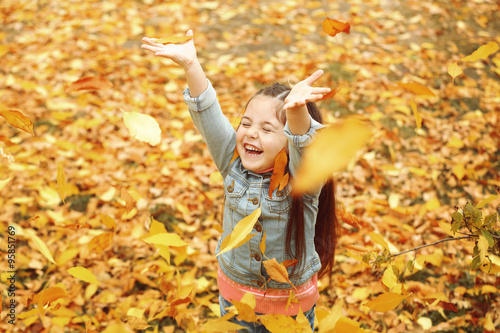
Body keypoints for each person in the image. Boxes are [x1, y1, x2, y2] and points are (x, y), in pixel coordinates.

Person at [142, 30, 339, 332]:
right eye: (246, 123)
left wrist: (296, 110)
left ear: (287, 142)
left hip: (290, 314)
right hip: (235, 306)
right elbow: (208, 115)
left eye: (267, 129)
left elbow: (303, 142)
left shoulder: (303, 181)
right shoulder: (232, 163)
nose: (251, 133)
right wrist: (191, 65)